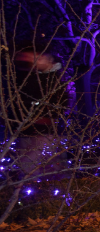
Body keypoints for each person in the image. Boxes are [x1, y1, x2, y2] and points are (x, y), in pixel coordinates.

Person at [11, 47, 64, 178]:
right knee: (31, 162)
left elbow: (60, 102)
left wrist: (46, 116)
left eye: (37, 57)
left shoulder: (51, 79)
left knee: (31, 163)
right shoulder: (27, 75)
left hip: (44, 129)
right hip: (27, 128)